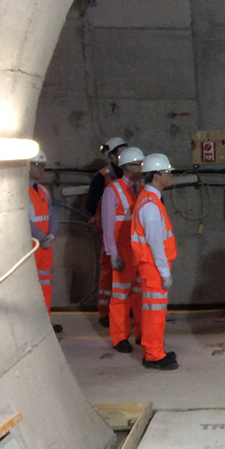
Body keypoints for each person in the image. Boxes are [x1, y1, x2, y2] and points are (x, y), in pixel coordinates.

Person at [131, 153, 179, 370]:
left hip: (153, 266)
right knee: (154, 314)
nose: (170, 175)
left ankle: (156, 350)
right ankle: (153, 355)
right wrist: (164, 272)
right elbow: (155, 243)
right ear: (156, 175)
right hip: (154, 268)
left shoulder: (150, 200)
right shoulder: (150, 205)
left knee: (155, 313)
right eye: (167, 172)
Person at [103, 147, 145, 353]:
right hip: (123, 251)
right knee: (120, 295)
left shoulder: (142, 188)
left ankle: (142, 334)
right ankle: (120, 337)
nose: (142, 168)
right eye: (138, 164)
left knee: (140, 294)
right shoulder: (113, 190)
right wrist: (113, 253)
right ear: (127, 167)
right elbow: (108, 223)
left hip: (139, 251)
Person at [86, 137, 128, 327]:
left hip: (129, 233)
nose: (124, 155)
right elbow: (91, 204)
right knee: (109, 271)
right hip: (110, 233)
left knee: (128, 271)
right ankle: (105, 312)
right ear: (111, 156)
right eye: (120, 152)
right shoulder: (102, 176)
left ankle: (126, 309)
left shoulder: (133, 175)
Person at [28, 150, 61, 333]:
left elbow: (52, 214)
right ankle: (33, 325)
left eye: (43, 166)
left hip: (45, 246)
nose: (41, 169)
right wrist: (43, 237)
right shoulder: (20, 192)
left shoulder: (44, 191)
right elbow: (24, 219)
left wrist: (52, 235)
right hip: (32, 247)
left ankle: (45, 322)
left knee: (46, 285)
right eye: (37, 165)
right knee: (31, 286)